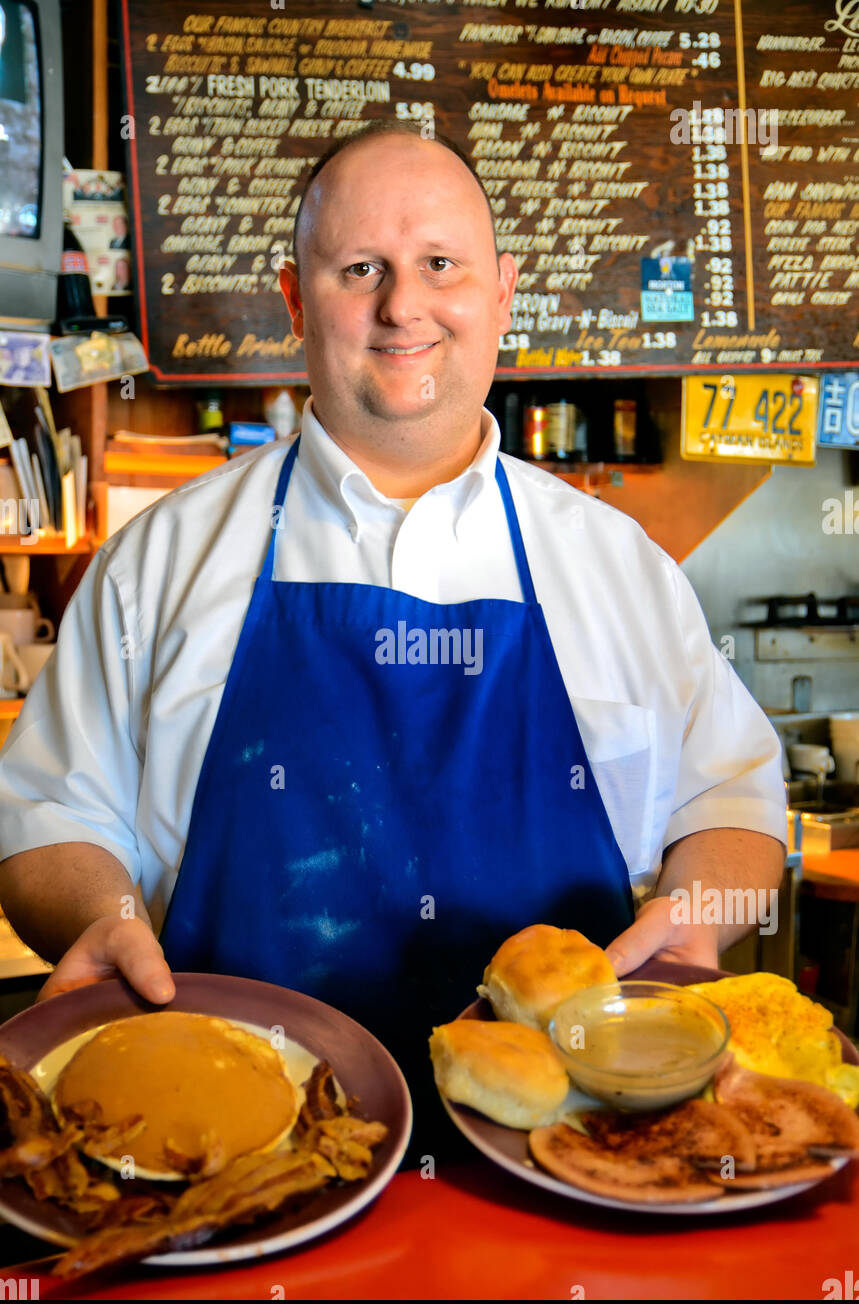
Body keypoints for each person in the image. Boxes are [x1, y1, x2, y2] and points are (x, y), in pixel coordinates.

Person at [0, 121, 786, 1146]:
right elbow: (49, 816)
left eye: (440, 265)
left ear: (502, 290)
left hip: (584, 1160)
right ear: (293, 298)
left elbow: (730, 796)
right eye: (359, 267)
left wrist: (698, 912)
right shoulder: (163, 561)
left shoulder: (617, 565)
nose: (401, 305)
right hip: (228, 1151)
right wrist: (101, 913)